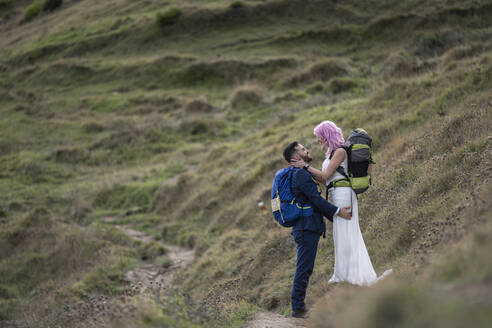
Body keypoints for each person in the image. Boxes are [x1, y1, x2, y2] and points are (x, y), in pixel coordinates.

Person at [291, 121, 392, 286]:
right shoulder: (331, 154)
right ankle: (344, 273)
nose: (318, 140)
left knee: (348, 232)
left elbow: (325, 176)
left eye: (319, 137)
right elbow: (327, 180)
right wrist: (306, 171)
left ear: (327, 135)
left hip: (344, 195)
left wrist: (305, 166)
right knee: (341, 234)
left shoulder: (340, 152)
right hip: (336, 193)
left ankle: (355, 276)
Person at [282, 141, 352, 318]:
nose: (307, 150)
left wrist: (334, 217)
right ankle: (298, 308)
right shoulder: (300, 175)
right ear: (296, 156)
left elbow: (314, 201)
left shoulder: (300, 173)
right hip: (306, 227)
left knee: (305, 267)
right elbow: (315, 200)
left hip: (306, 227)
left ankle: (298, 307)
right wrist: (337, 212)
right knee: (304, 267)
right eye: (303, 149)